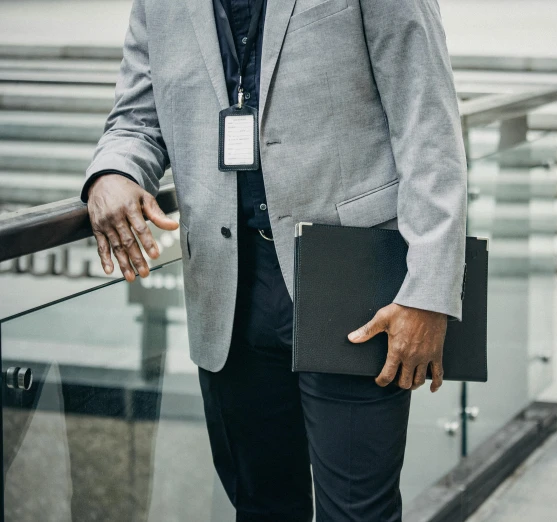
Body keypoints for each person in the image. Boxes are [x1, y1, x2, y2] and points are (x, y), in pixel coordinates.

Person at [81, 0, 467, 520]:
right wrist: (112, 173)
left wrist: (428, 291)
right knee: (261, 507)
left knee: (358, 513)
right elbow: (135, 120)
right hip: (227, 287)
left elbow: (429, 125)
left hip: (350, 282)